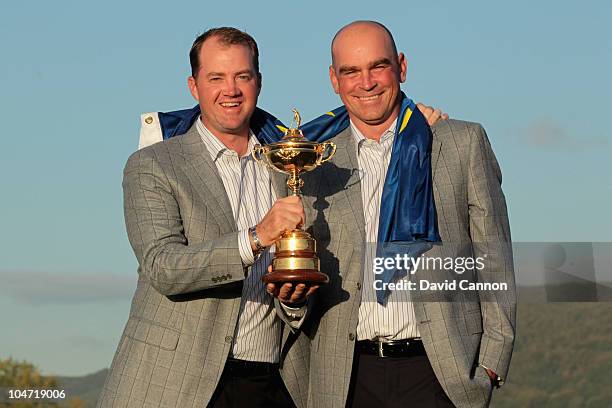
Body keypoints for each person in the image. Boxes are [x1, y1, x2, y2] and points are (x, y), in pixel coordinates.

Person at [99, 26, 445, 408]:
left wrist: (295, 302)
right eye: (216, 78)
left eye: (242, 77)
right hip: (172, 384)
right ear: (193, 87)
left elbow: (369, 137)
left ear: (258, 83)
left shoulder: (291, 164)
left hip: (271, 382)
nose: (230, 90)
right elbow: (162, 267)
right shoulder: (154, 164)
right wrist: (255, 237)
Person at [296, 21, 516, 408]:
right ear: (334, 79)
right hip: (345, 378)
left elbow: (493, 255)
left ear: (401, 66)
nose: (366, 83)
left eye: (378, 66)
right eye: (351, 71)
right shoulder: (312, 161)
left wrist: (492, 363)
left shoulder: (461, 143)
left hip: (442, 374)